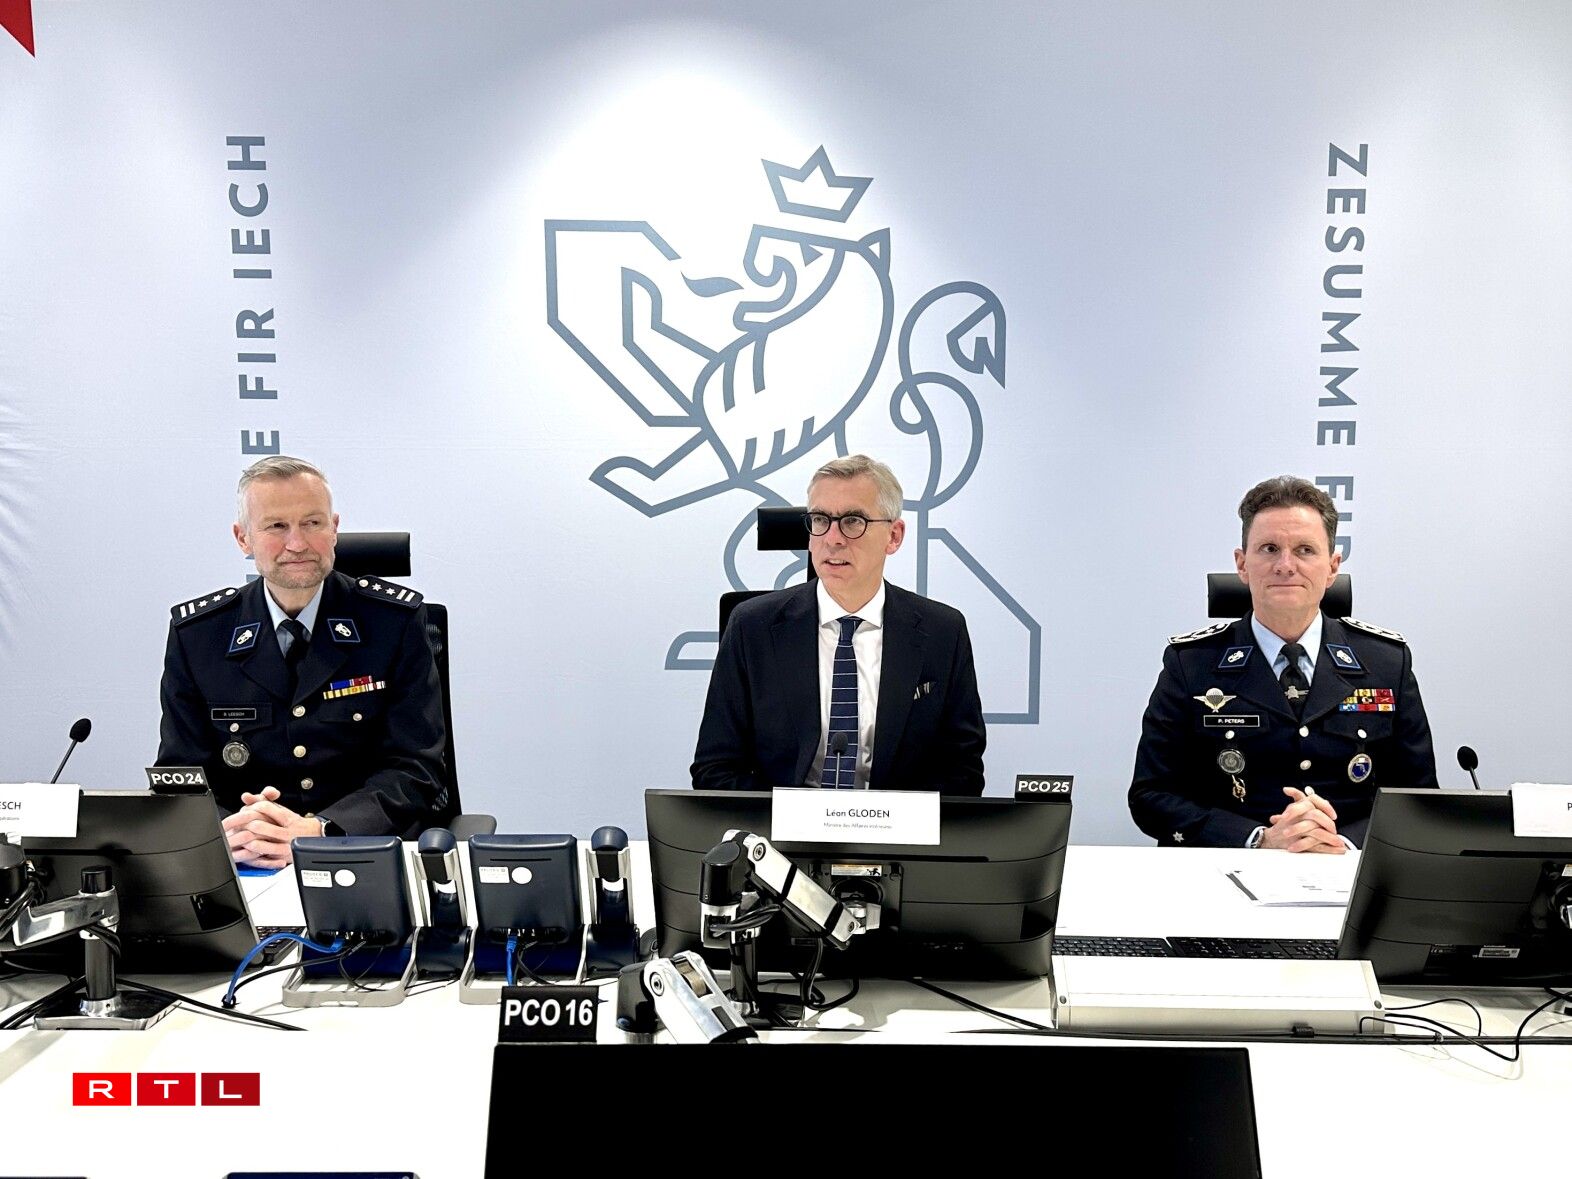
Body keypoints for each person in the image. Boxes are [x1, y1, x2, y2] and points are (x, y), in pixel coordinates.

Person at [157, 456, 447, 867]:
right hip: (245, 860)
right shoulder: (200, 636)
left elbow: (416, 768)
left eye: (312, 523)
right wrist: (229, 833)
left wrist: (321, 830)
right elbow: (181, 778)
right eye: (276, 526)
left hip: (361, 854)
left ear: (334, 529)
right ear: (243, 538)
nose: (297, 544)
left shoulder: (393, 623)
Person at [1129, 475, 1437, 850]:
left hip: (1349, 871)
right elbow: (1151, 795)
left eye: (1305, 550)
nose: (1285, 565)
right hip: (1224, 870)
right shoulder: (1191, 664)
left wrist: (1344, 843)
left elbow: (1417, 798)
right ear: (1242, 564)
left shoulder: (1386, 662)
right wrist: (1257, 840)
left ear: (1333, 567)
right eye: (1269, 549)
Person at [692, 454, 985, 794]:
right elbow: (714, 769)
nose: (832, 539)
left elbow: (963, 772)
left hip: (895, 826)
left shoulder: (942, 632)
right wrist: (795, 815)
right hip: (782, 825)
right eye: (820, 520)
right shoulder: (752, 627)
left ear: (893, 536)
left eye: (852, 521)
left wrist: (889, 818)